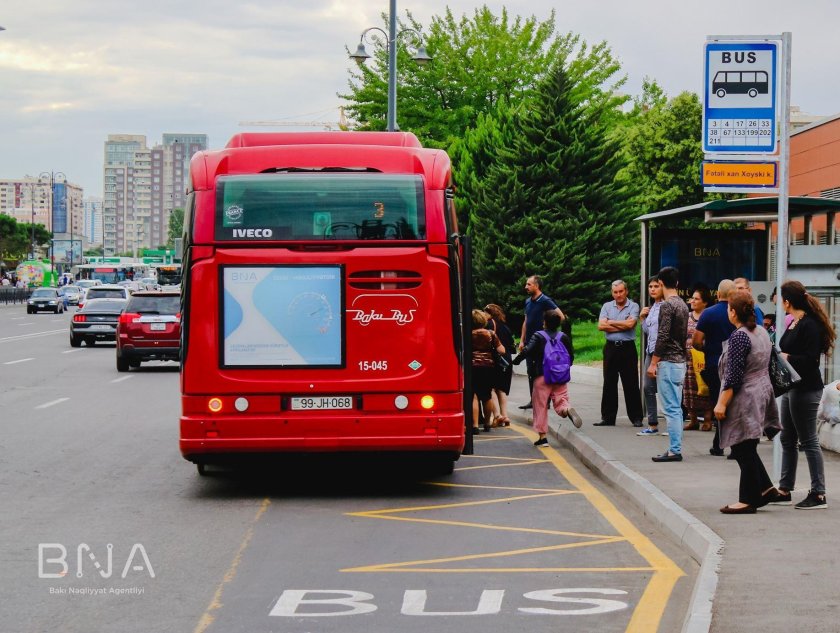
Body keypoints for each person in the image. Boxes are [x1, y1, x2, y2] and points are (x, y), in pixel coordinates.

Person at [714, 291, 782, 514]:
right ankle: (766, 488)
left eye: (728, 308)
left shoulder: (739, 337)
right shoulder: (761, 331)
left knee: (743, 447)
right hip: (762, 392)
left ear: (733, 312)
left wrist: (721, 404)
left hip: (746, 396)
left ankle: (748, 500)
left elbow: (733, 376)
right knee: (748, 445)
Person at [773, 280, 836, 509]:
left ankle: (819, 494)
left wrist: (788, 358)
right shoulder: (794, 322)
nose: (781, 303)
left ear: (787, 301)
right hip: (792, 387)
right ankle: (784, 488)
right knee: (787, 438)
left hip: (807, 388)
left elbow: (811, 360)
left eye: (781, 299)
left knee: (809, 440)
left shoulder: (809, 325)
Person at [512, 311, 581, 446]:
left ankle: (543, 437)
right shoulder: (564, 337)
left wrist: (516, 361)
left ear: (545, 322)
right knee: (562, 400)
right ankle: (567, 410)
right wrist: (563, 368)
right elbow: (571, 355)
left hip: (542, 375)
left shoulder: (538, 336)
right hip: (560, 376)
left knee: (540, 406)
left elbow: (527, 350)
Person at [647, 266, 689, 462]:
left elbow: (662, 336)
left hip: (668, 362)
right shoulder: (683, 305)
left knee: (670, 409)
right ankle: (675, 447)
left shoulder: (666, 306)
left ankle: (674, 450)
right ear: (678, 283)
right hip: (680, 361)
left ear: (661, 284)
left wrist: (653, 363)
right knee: (677, 408)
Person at [693, 279, 736, 457]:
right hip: (735, 364)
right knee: (734, 405)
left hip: (713, 364)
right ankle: (734, 446)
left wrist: (709, 349)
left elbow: (696, 341)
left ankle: (718, 444)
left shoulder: (708, 314)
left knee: (718, 403)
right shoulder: (737, 312)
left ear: (717, 295)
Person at [596, 280, 643, 427]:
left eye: (621, 291)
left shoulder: (634, 306)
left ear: (626, 291)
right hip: (610, 348)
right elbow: (600, 326)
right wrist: (622, 324)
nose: (618, 295)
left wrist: (610, 322)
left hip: (627, 348)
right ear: (612, 293)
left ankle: (636, 418)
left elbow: (631, 325)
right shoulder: (606, 306)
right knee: (609, 383)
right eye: (615, 292)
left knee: (631, 383)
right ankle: (608, 418)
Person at [518, 275, 564, 410]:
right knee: (531, 371)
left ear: (536, 286)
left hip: (542, 342)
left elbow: (561, 316)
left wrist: (549, 331)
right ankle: (533, 400)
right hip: (529, 342)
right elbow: (526, 321)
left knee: (542, 371)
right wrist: (522, 340)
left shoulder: (545, 301)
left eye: (528, 284)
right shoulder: (528, 302)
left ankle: (545, 400)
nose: (526, 287)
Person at [684, 284, 715, 432]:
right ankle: (693, 419)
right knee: (689, 388)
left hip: (704, 358)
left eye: (697, 299)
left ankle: (708, 419)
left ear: (705, 302)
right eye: (692, 298)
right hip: (688, 359)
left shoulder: (709, 317)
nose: (693, 301)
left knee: (705, 388)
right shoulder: (686, 317)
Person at [471, 309, 506, 434]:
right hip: (488, 367)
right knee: (486, 396)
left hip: (472, 367)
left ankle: (475, 425)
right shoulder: (491, 334)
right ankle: (487, 423)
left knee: (473, 395)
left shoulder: (468, 334)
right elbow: (502, 350)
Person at [637, 276, 664, 435]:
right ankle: (652, 424)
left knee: (665, 390)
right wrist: (642, 318)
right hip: (650, 350)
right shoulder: (652, 307)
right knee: (647, 387)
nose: (652, 289)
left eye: (656, 286)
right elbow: (649, 331)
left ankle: (674, 425)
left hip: (662, 352)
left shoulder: (665, 306)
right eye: (650, 286)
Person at [485, 303, 515, 426]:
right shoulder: (505, 327)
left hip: (495, 360)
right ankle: (505, 416)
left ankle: (497, 416)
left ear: (490, 313)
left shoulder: (489, 325)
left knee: (491, 389)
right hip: (506, 361)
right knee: (501, 390)